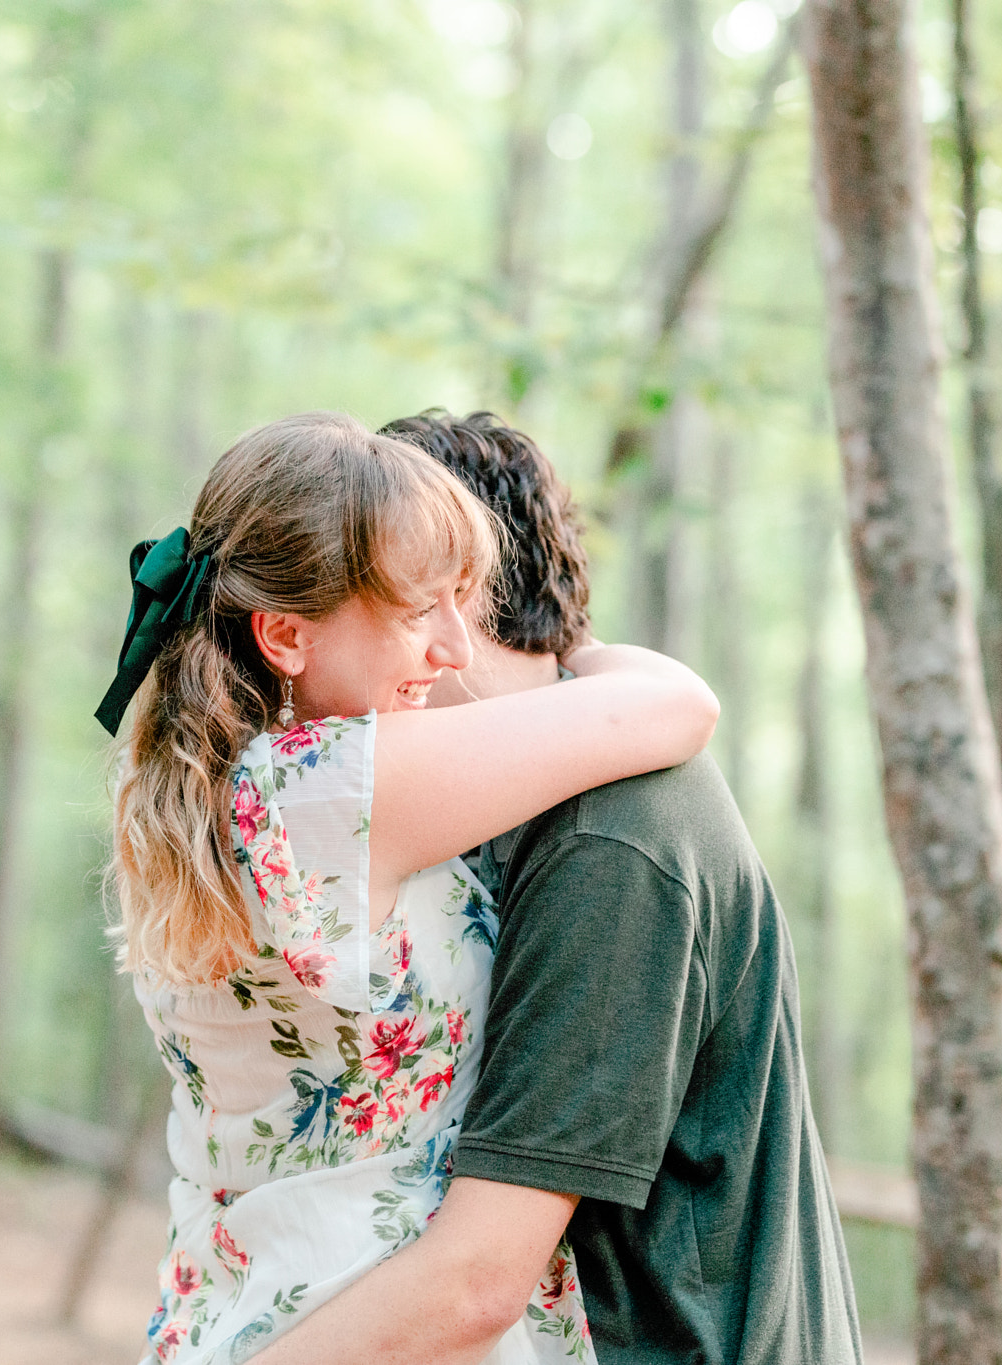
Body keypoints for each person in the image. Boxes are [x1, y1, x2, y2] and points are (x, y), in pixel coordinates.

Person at [101, 411, 719, 1364]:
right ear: (286, 635)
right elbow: (678, 704)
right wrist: (570, 656)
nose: (456, 649)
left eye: (459, 601)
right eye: (413, 610)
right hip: (378, 1329)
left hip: (243, 1312)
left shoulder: (208, 783)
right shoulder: (342, 788)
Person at [254, 411, 863, 1365]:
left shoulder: (608, 838)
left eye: (391, 592)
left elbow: (476, 1279)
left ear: (465, 595)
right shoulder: (513, 805)